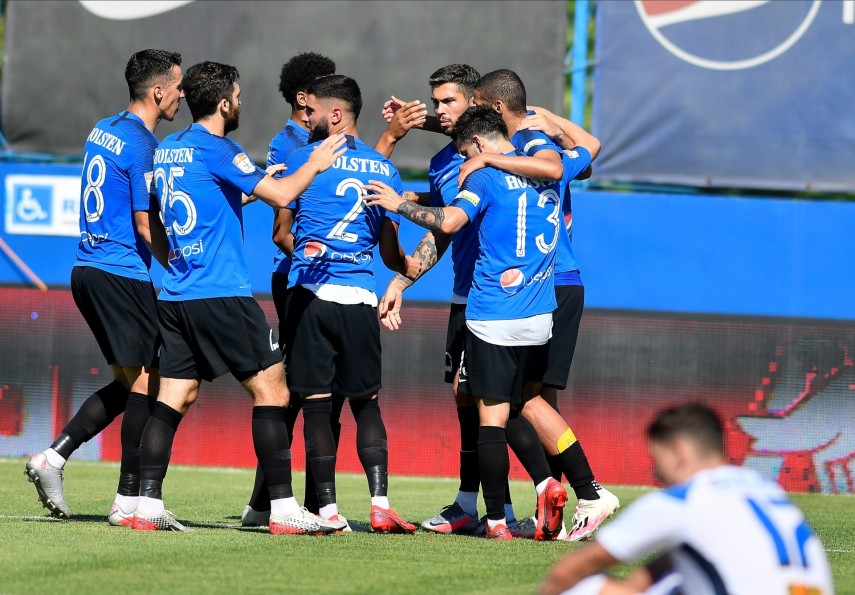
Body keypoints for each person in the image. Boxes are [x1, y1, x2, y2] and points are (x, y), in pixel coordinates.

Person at [131, 61, 347, 534]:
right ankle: (284, 509)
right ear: (225, 102)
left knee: (175, 395)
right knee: (273, 389)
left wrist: (177, 265)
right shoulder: (220, 148)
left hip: (177, 294)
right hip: (221, 293)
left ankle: (145, 504)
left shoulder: (168, 149)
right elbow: (283, 193)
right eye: (239, 96)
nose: (241, 104)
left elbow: (157, 219)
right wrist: (315, 162)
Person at [366, 105, 568, 541]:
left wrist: (398, 204)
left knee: (490, 415)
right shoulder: (540, 163)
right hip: (538, 309)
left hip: (489, 309)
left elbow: (451, 221)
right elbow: (583, 153)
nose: (439, 111)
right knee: (511, 406)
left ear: (476, 135)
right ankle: (551, 487)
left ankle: (500, 517)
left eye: (446, 102)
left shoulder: (484, 173)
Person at [25, 49, 181, 525]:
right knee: (150, 383)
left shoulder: (103, 128)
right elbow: (143, 222)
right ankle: (127, 500)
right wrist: (180, 267)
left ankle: (53, 457)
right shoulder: (143, 143)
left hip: (87, 270)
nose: (181, 95)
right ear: (158, 91)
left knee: (132, 382)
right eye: (177, 87)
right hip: (120, 272)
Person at [468, 69, 620, 541]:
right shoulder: (523, 148)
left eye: (475, 104)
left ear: (495, 109)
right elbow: (588, 150)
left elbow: (557, 166)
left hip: (549, 284)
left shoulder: (532, 143)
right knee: (529, 400)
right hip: (546, 287)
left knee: (524, 400)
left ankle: (589, 492)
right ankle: (555, 498)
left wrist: (537, 127)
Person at [376, 63, 521, 535]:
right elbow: (442, 232)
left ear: (475, 101)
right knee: (467, 397)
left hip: (507, 296)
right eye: (434, 102)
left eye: (448, 101)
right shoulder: (445, 162)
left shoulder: (512, 149)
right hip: (465, 295)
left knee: (511, 403)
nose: (439, 110)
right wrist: (399, 282)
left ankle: (537, 500)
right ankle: (472, 504)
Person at [281, 74, 417, 534]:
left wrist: (310, 250)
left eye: (312, 111)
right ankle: (380, 504)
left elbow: (281, 233)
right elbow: (390, 254)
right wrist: (406, 270)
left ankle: (328, 512)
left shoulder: (301, 161)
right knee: (366, 404)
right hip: (359, 297)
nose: (306, 118)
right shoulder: (384, 169)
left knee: (317, 406)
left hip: (311, 295)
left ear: (335, 115)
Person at [540, 402, 834, 595]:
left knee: (584, 588)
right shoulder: (764, 489)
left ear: (679, 453)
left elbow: (569, 570)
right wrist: (635, 584)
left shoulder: (685, 499)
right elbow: (677, 559)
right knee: (676, 580)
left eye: (658, 460)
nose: (656, 473)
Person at [242, 51, 339, 528]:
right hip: (300, 276)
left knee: (313, 391)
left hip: (322, 278)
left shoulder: (326, 138)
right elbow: (282, 229)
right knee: (301, 390)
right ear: (304, 99)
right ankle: (281, 503)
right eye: (325, 86)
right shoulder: (290, 144)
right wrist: (325, 256)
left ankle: (277, 502)